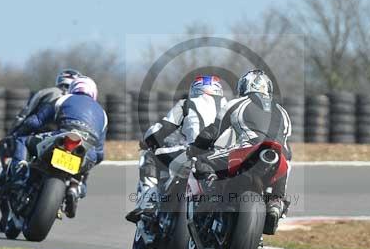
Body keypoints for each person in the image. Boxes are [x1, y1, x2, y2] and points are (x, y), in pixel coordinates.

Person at [190, 69, 292, 234]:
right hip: (277, 157)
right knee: (285, 163)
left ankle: (212, 193)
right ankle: (276, 203)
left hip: (247, 150)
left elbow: (212, 132)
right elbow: (287, 150)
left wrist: (196, 147)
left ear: (244, 86)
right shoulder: (283, 112)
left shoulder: (237, 103)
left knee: (202, 161)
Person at [125, 75, 227, 223]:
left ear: (194, 90)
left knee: (150, 155)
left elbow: (164, 128)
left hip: (192, 154)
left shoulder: (186, 104)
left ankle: (150, 198)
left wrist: (147, 141)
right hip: (221, 158)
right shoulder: (231, 106)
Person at [8, 75, 107, 218]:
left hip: (62, 136)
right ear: (94, 93)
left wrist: (19, 132)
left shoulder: (63, 99)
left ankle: (20, 170)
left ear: (74, 88)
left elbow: (35, 122)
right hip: (86, 149)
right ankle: (76, 187)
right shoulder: (103, 114)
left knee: (23, 141)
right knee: (85, 170)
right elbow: (99, 153)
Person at [0, 69, 82, 190]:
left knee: (19, 141)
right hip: (72, 138)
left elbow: (24, 114)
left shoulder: (47, 92)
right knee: (85, 159)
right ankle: (76, 186)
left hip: (42, 135)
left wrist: (13, 133)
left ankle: (18, 173)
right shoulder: (81, 102)